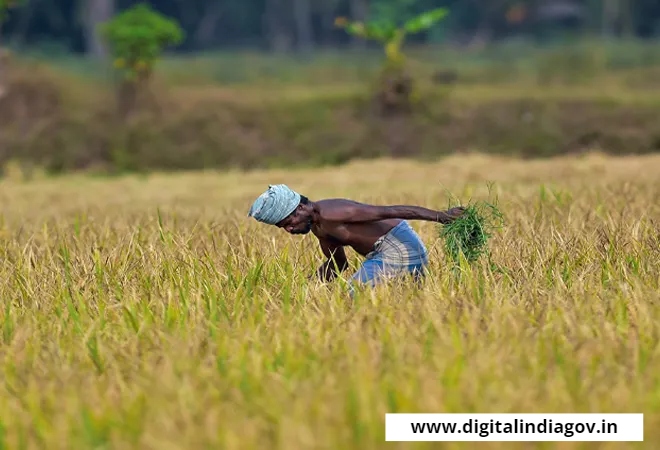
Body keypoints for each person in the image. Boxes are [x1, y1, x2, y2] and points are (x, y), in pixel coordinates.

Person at [247, 184, 465, 296]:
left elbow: (391, 211)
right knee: (402, 303)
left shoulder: (334, 212)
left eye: (289, 221)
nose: (290, 229)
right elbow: (338, 264)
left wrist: (442, 217)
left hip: (399, 248)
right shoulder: (320, 229)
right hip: (381, 256)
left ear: (302, 207)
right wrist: (306, 288)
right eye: (283, 227)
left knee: (357, 292)